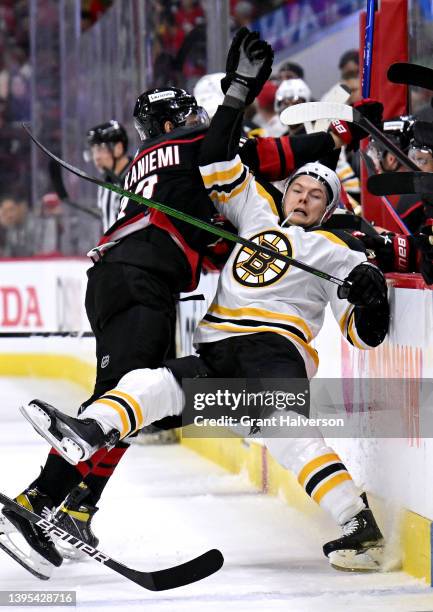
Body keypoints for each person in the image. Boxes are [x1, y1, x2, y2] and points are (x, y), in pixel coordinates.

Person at [0, 28, 383, 577]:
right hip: (143, 282)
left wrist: (365, 282)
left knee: (140, 394)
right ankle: (49, 500)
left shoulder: (158, 164)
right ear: (181, 121)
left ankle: (68, 502)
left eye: (314, 194)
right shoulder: (202, 158)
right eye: (297, 188)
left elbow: (217, 235)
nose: (300, 195)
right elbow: (260, 156)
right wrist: (336, 133)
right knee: (128, 397)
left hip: (132, 282)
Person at [83, 120, 131, 232]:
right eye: (93, 151)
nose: (96, 157)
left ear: (118, 148)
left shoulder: (138, 176)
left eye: (100, 149)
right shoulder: (105, 183)